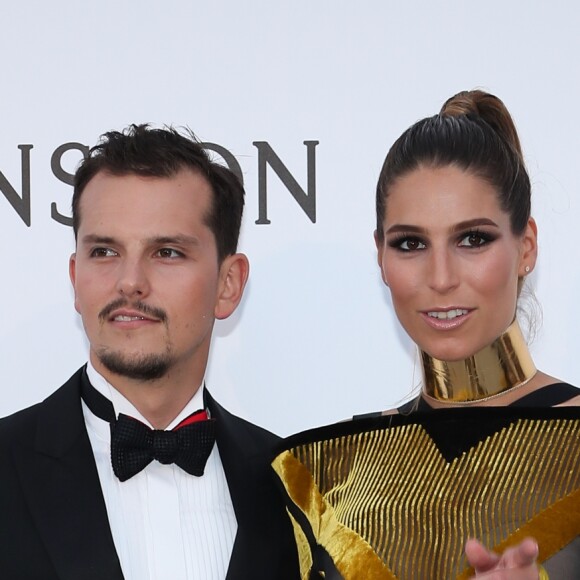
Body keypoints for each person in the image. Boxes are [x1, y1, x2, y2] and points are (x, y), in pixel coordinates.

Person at [272, 91, 580, 579]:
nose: (440, 277)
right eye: (411, 243)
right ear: (380, 256)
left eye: (472, 239)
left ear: (526, 247)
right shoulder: (325, 472)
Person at [0, 125, 299, 579]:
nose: (130, 281)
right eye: (104, 251)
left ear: (228, 284)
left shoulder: (297, 488)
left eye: (167, 252)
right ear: (75, 276)